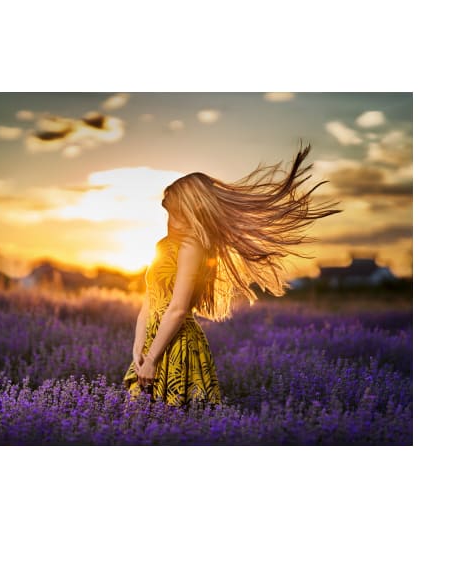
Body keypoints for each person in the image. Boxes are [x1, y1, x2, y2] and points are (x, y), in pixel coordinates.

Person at [122, 141, 342, 408]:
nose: (169, 220)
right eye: (167, 212)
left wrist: (154, 358)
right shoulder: (162, 246)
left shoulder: (192, 245)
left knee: (178, 424)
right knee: (142, 424)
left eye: (173, 212)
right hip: (152, 345)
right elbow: (149, 301)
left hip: (176, 344)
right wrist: (138, 348)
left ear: (188, 209)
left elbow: (178, 308)